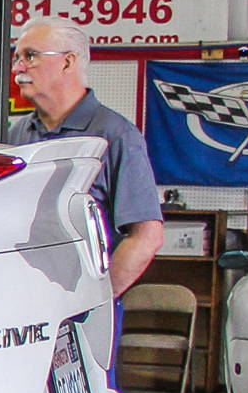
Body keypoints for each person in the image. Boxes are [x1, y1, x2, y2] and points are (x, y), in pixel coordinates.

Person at [11, 21, 164, 298]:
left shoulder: (115, 136)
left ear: (68, 62)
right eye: (17, 58)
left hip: (80, 314)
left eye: (30, 56)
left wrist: (96, 300)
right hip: (24, 302)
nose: (18, 68)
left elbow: (147, 237)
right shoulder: (19, 134)